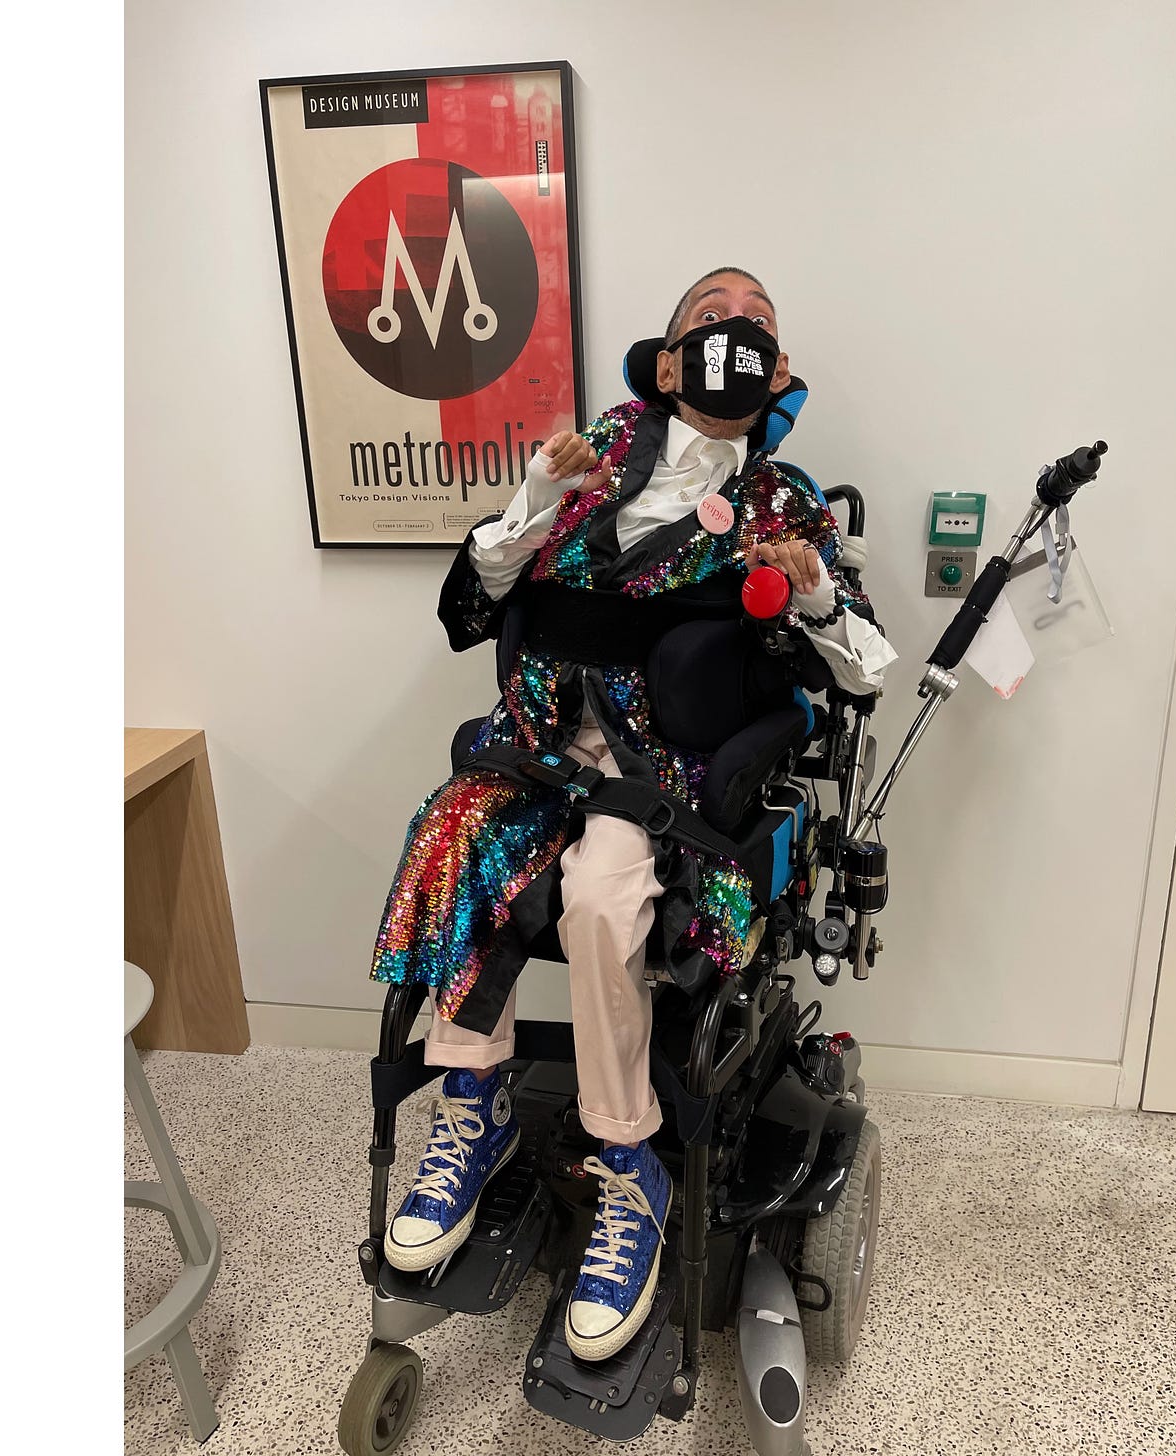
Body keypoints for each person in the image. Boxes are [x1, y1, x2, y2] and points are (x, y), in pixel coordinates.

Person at [370, 268, 897, 1361]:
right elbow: (472, 608)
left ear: (777, 371)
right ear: (665, 363)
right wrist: (529, 502)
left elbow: (863, 672)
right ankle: (474, 1105)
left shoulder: (781, 500)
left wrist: (808, 595)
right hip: (540, 738)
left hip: (657, 770)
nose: (731, 333)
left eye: (755, 323)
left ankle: (632, 1165)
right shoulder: (589, 457)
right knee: (453, 831)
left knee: (601, 905)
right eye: (708, 318)